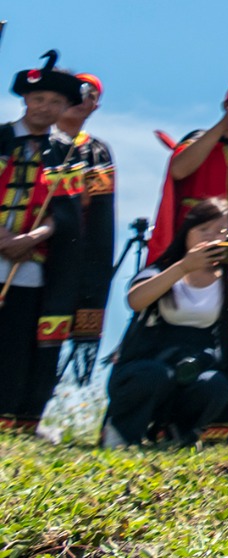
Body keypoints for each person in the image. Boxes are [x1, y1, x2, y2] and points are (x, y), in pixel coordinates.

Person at [106, 200, 228, 446]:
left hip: (194, 363)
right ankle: (121, 433)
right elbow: (135, 301)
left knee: (215, 385)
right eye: (204, 230)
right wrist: (183, 267)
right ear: (187, 232)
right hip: (149, 361)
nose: (212, 238)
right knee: (153, 375)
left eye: (220, 232)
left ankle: (178, 435)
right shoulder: (162, 269)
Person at [0, 60, 83, 434]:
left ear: (66, 108)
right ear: (25, 99)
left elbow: (66, 212)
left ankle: (10, 416)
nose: (45, 107)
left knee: (15, 343)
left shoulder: (66, 154)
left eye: (54, 101)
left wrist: (32, 238)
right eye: (38, 98)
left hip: (30, 263)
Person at [154, 79, 228, 267]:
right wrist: (224, 124)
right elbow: (178, 170)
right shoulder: (202, 141)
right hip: (190, 249)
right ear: (227, 105)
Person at [54, 71, 118, 368]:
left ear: (96, 107)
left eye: (91, 96)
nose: (83, 99)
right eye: (79, 92)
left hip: (67, 253)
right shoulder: (27, 137)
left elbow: (99, 217)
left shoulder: (97, 152)